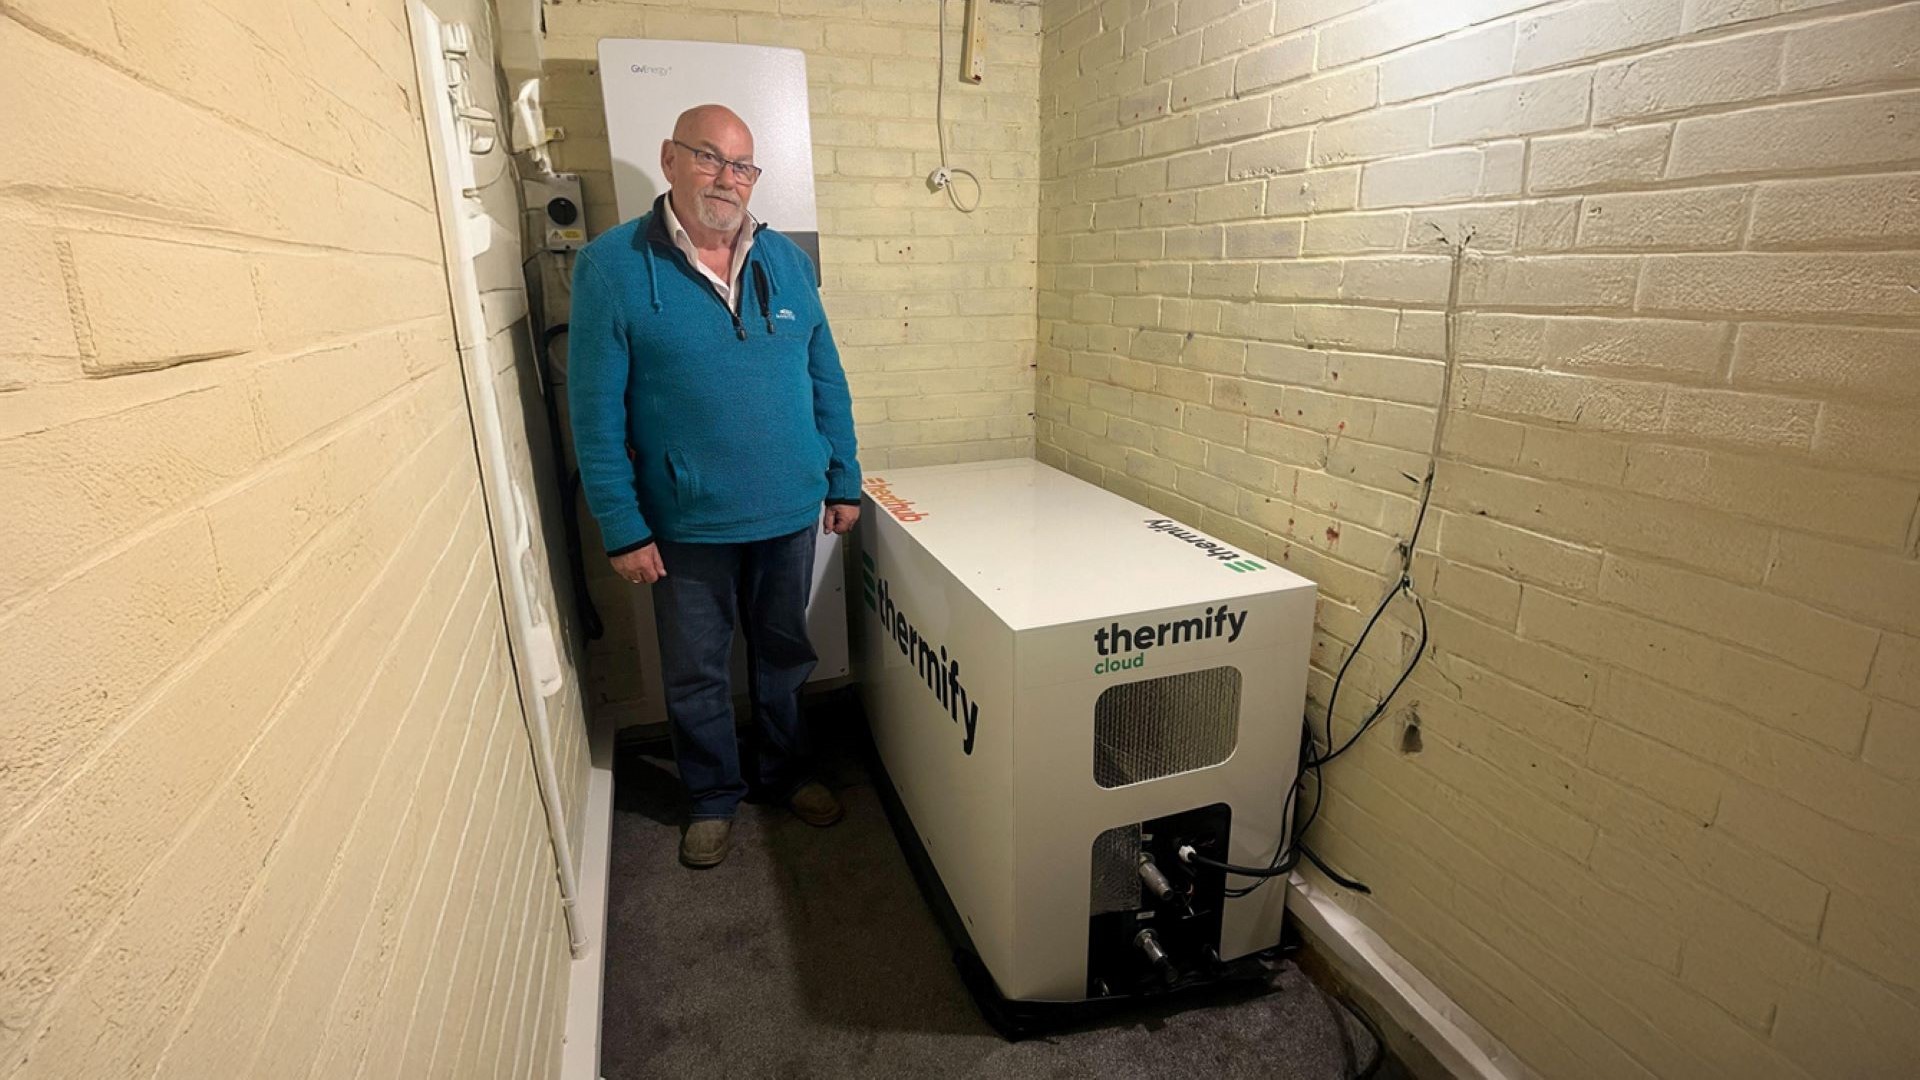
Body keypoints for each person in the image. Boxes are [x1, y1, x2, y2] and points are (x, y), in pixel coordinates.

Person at [567, 104, 861, 869]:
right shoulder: (612, 266)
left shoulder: (787, 263)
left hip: (789, 509)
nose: (727, 180)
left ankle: (785, 771)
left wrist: (844, 478)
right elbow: (593, 413)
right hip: (685, 522)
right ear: (669, 160)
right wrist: (621, 525)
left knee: (784, 652)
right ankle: (710, 795)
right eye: (709, 158)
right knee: (697, 668)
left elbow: (825, 377)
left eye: (741, 166)